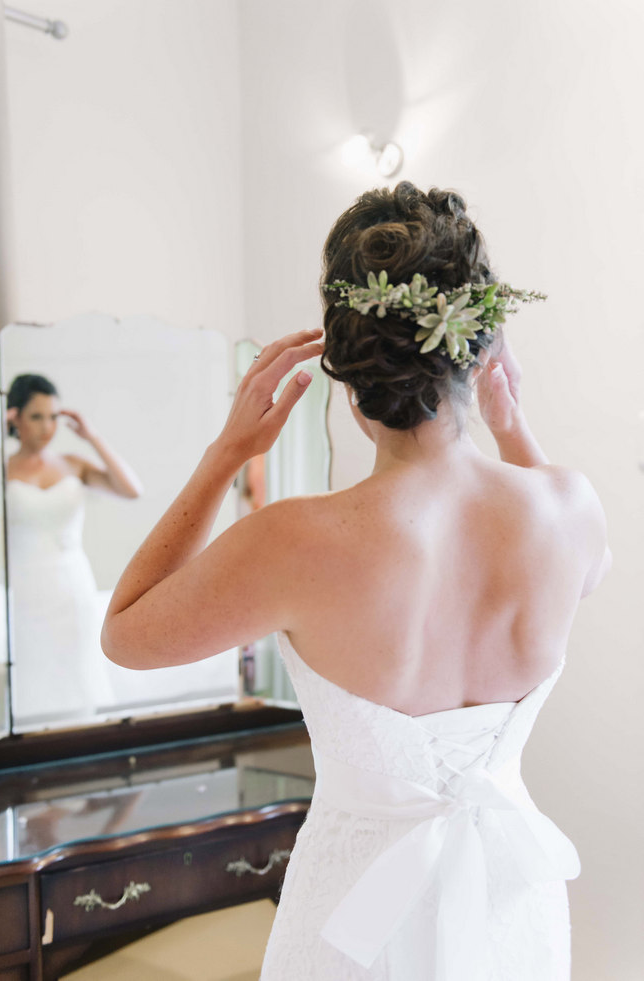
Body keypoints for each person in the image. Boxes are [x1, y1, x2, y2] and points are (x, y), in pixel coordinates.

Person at [101, 182, 610, 980]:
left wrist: (226, 454)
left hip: (350, 920)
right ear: (481, 347)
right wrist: (512, 426)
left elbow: (125, 633)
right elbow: (589, 571)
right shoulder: (568, 510)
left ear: (346, 374)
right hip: (510, 907)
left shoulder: (291, 539)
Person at [6, 373, 142, 721]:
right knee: (31, 675)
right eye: (36, 416)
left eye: (53, 416)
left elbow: (131, 490)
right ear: (14, 416)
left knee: (79, 671)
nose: (47, 427)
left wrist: (92, 437)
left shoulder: (72, 464)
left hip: (71, 585)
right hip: (23, 590)